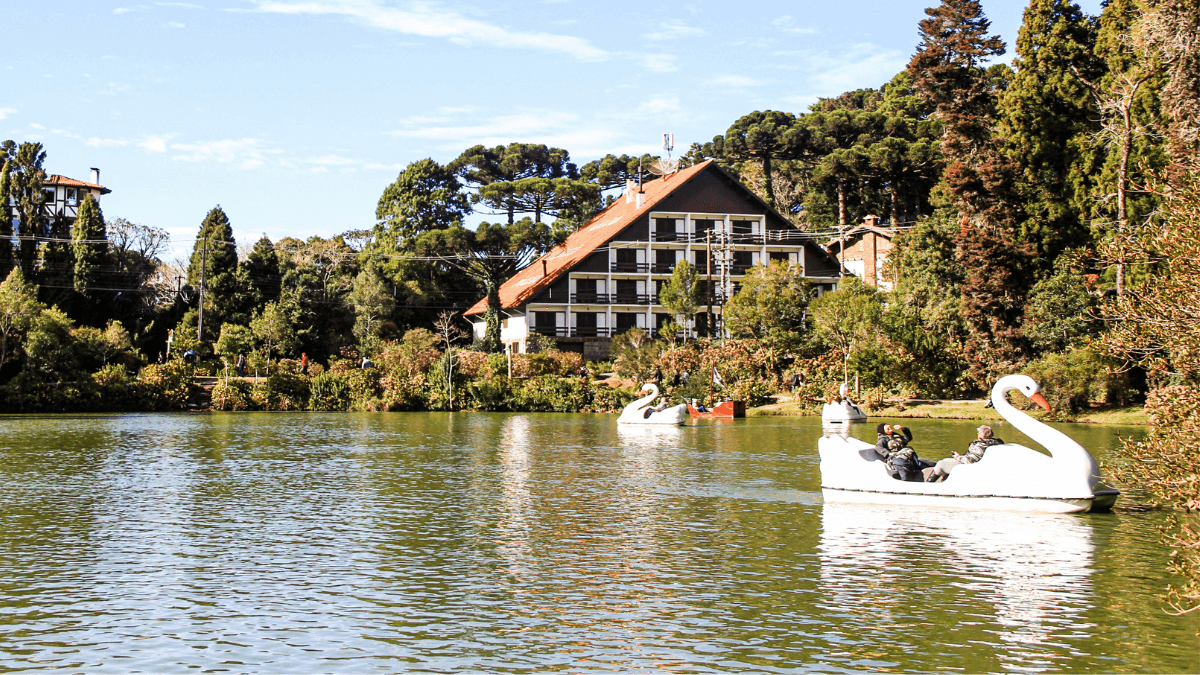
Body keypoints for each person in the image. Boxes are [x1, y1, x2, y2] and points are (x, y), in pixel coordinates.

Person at [925, 425, 1004, 482]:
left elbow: (970, 461)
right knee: (946, 460)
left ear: (981, 436)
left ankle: (928, 486)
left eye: (978, 433)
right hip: (980, 465)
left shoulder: (980, 446)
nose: (977, 435)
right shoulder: (994, 443)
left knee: (941, 464)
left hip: (972, 468)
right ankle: (945, 482)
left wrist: (957, 456)